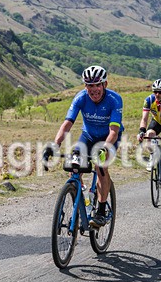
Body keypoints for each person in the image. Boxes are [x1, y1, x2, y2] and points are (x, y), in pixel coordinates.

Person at [44, 65, 123, 228]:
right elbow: (66, 124)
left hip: (108, 138)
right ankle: (81, 199)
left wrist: (105, 147)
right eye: (89, 85)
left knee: (101, 166)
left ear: (104, 85)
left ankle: (101, 211)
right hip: (88, 136)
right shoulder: (80, 98)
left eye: (97, 85)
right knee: (74, 166)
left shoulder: (114, 100)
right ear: (85, 86)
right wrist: (55, 145)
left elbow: (114, 131)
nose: (93, 90)